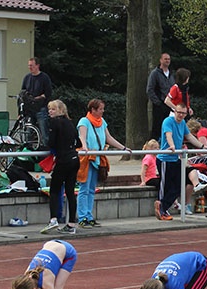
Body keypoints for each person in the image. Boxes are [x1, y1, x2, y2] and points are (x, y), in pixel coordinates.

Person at [77, 98, 129, 228]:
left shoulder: (102, 122)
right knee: (84, 188)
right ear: (93, 110)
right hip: (88, 158)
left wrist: (123, 148)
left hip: (98, 158)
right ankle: (82, 217)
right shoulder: (84, 121)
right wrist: (85, 147)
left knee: (91, 189)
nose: (102, 111)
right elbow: (82, 136)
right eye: (100, 109)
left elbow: (108, 138)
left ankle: (89, 216)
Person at [41, 99, 81, 235]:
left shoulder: (54, 122)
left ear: (61, 110)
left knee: (54, 190)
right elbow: (78, 142)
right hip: (74, 159)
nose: (50, 112)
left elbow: (51, 142)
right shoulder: (70, 123)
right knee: (70, 191)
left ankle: (53, 219)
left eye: (53, 109)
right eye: (49, 109)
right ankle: (71, 224)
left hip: (63, 160)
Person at [20, 57, 53, 148]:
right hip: (30, 109)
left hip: (41, 108)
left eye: (32, 65)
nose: (30, 67)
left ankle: (46, 151)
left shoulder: (44, 78)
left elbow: (48, 93)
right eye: (29, 65)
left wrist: (39, 98)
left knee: (44, 132)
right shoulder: (27, 78)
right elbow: (23, 92)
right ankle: (28, 150)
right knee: (28, 133)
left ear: (37, 65)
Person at [147, 53, 174, 141]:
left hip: (170, 104)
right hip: (160, 105)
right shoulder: (155, 73)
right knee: (157, 127)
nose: (167, 61)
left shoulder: (171, 74)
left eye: (168, 59)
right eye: (165, 59)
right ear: (161, 60)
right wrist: (158, 103)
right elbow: (150, 89)